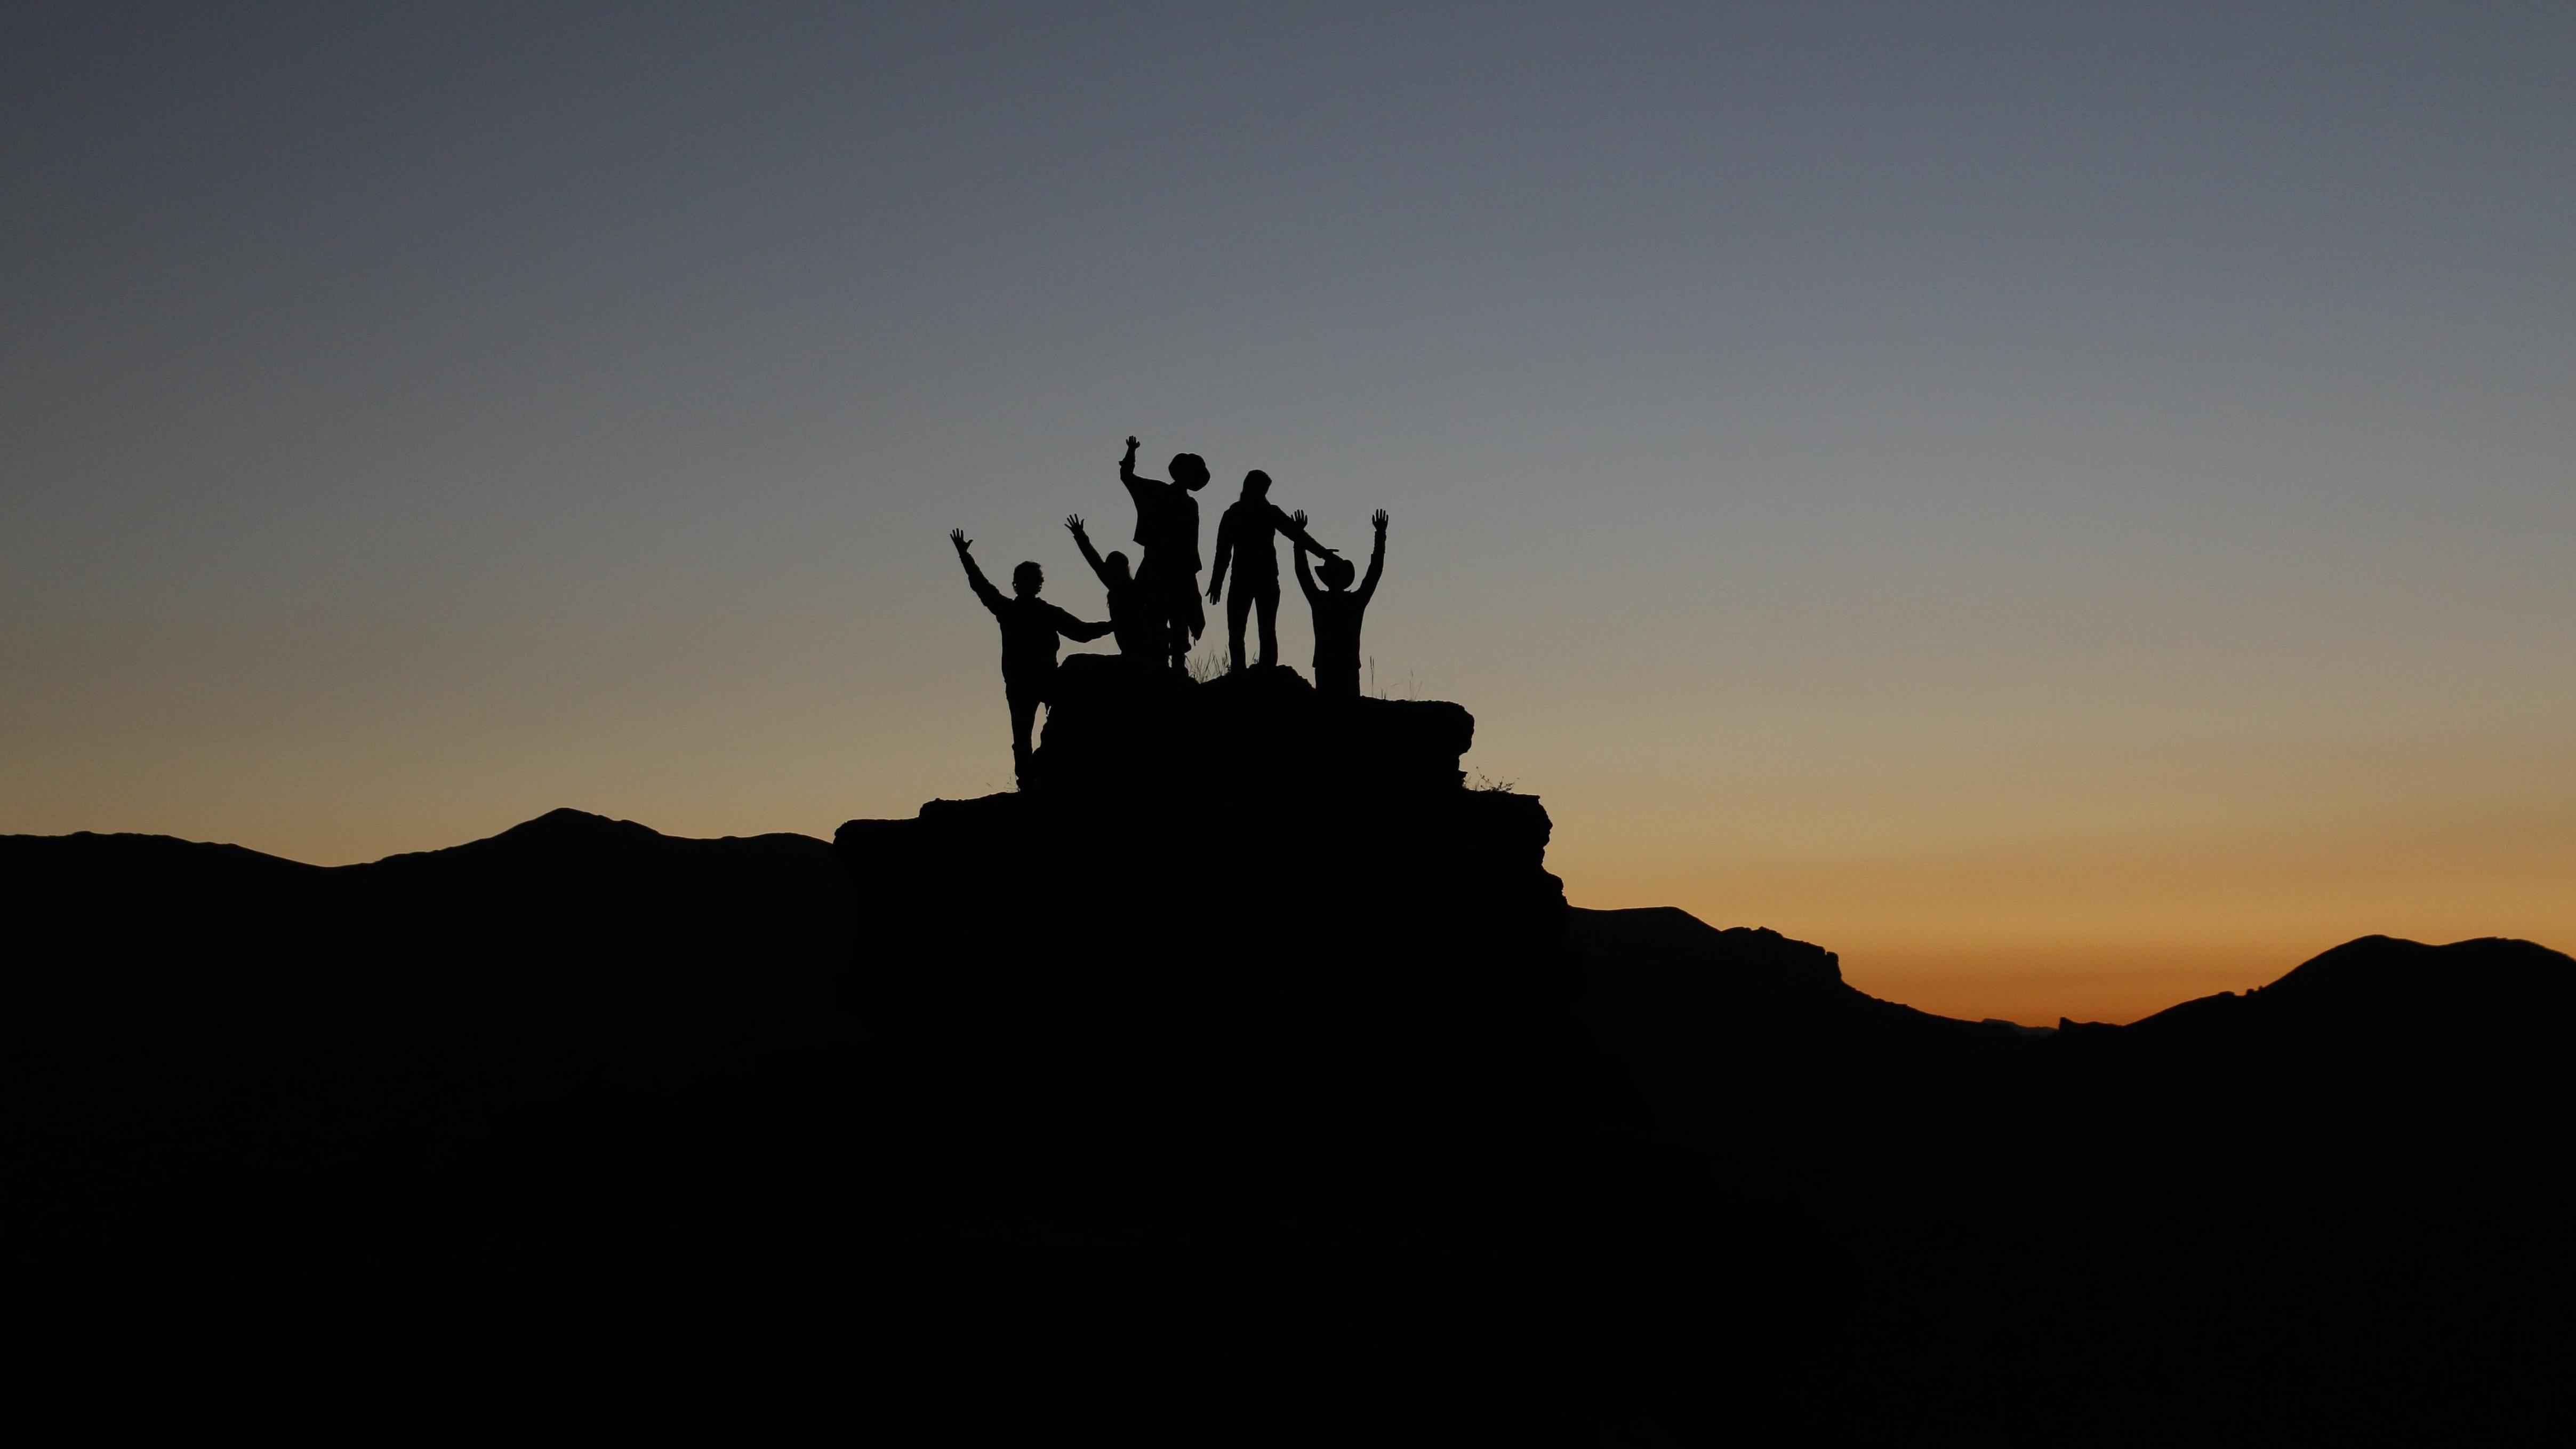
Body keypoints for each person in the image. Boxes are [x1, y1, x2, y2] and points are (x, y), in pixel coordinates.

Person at [950, 528, 1111, 781]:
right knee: (1029, 733)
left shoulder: (1010, 610)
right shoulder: (1036, 612)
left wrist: (965, 557)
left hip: (1026, 683)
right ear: (1037, 584)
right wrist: (1114, 625)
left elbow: (981, 586)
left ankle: (1032, 778)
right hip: (1035, 681)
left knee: (1023, 736)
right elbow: (1082, 632)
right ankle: (1036, 777)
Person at [1205, 470, 1338, 674]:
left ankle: (1263, 670)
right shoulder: (1237, 514)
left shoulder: (1260, 513)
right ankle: (1241, 672)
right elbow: (1223, 552)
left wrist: (1324, 554)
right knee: (1242, 630)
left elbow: (1297, 535)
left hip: (1260, 580)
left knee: (1261, 629)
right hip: (1246, 580)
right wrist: (1216, 582)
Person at [1117, 435, 1210, 673]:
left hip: (1176, 570)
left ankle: (1174, 669)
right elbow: (1127, 477)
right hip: (1161, 567)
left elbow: (1190, 543)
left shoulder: (1189, 504)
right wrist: (1131, 452)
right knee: (1157, 618)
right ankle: (1161, 667)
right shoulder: (1159, 492)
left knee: (1175, 621)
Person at [1293, 508, 1386, 699]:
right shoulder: (1355, 603)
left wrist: (1299, 538)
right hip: (1347, 666)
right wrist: (1380, 536)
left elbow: (1302, 572)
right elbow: (1374, 572)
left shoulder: (1320, 601)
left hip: (1327, 666)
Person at [1064, 514, 1159, 665]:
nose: (1106, 569)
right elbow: (1094, 560)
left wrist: (1080, 536)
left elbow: (1095, 561)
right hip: (1131, 647)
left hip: (1140, 646)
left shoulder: (1131, 589)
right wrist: (1080, 535)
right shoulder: (1123, 587)